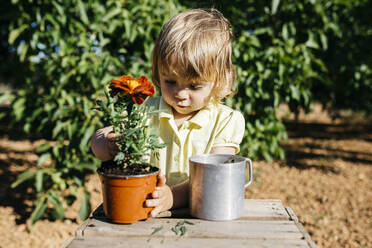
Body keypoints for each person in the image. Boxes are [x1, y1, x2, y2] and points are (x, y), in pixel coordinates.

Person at [91, 8, 245, 217]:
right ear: (158, 73)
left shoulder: (226, 120)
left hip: (203, 215)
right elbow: (100, 142)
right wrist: (107, 142)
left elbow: (214, 177)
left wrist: (171, 196)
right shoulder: (146, 112)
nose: (181, 93)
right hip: (146, 210)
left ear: (219, 80)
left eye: (194, 86)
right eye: (170, 81)